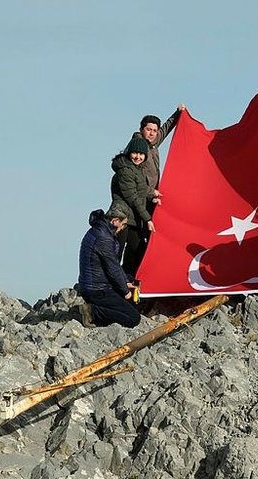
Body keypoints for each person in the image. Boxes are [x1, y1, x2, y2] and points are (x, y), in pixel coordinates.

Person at [76, 204, 140, 328]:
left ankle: (94, 310)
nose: (123, 228)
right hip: (97, 290)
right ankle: (91, 312)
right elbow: (112, 268)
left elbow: (114, 264)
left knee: (130, 298)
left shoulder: (101, 231)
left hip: (95, 285)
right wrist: (125, 291)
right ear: (115, 221)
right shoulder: (104, 238)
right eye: (124, 224)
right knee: (133, 318)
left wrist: (126, 282)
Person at [111, 136, 155, 277]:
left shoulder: (136, 169)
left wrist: (153, 194)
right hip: (122, 217)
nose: (138, 157)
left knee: (137, 250)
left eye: (141, 154)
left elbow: (141, 189)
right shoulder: (125, 170)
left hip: (133, 219)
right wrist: (148, 219)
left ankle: (127, 280)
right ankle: (111, 282)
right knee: (117, 252)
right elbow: (133, 197)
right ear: (129, 152)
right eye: (135, 153)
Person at [133, 105, 186, 213]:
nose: (152, 133)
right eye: (148, 130)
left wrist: (178, 113)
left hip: (153, 195)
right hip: (141, 196)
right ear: (141, 129)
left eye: (154, 130)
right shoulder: (136, 147)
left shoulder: (153, 142)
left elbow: (166, 127)